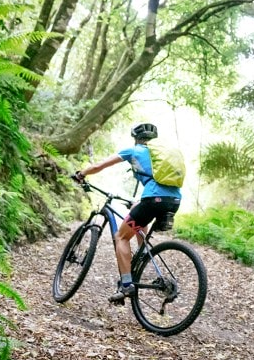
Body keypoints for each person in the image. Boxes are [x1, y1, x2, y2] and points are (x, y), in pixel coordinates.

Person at [73, 123, 181, 304]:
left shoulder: (133, 151)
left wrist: (81, 174)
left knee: (121, 237)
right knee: (138, 215)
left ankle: (126, 284)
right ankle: (141, 255)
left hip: (153, 200)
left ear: (136, 138)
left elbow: (100, 165)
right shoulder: (160, 157)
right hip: (173, 201)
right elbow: (158, 187)